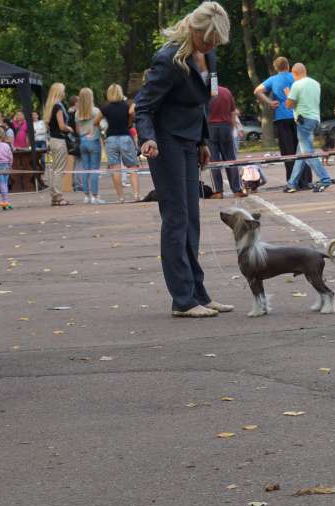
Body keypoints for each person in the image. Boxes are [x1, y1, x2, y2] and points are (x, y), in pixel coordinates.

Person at [134, 1, 233, 319]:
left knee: (191, 220)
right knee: (176, 220)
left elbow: (205, 101)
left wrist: (204, 140)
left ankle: (198, 293)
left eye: (216, 41)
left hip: (191, 143)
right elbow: (144, 106)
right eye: (209, 40)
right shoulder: (168, 60)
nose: (213, 45)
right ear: (194, 31)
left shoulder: (210, 57)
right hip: (165, 145)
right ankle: (183, 299)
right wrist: (147, 138)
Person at [255, 57, 310, 189]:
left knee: (288, 151)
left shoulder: (273, 80)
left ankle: (292, 182)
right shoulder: (296, 76)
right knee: (302, 149)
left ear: (276, 67)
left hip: (282, 118)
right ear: (288, 66)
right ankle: (305, 180)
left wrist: (269, 102)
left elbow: (257, 91)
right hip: (299, 117)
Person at [283, 63, 333, 194]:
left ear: (295, 73)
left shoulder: (296, 85)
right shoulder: (316, 83)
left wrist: (288, 94)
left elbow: (289, 105)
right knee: (301, 154)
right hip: (315, 119)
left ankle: (325, 178)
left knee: (307, 153)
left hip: (303, 121)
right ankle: (292, 183)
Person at [103, 83, 141, 202]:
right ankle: (136, 195)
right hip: (125, 137)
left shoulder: (105, 108)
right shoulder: (126, 106)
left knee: (115, 168)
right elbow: (131, 117)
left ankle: (121, 197)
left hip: (111, 138)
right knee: (132, 167)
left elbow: (95, 121)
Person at [207, 84, 241, 198]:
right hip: (226, 126)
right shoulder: (226, 91)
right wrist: (232, 127)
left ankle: (218, 191)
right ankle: (236, 189)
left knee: (214, 160)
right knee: (230, 158)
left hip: (210, 127)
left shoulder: (204, 93)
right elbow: (233, 111)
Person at [42, 82, 72, 206]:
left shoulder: (50, 106)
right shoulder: (58, 107)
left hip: (52, 141)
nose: (65, 93)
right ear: (60, 92)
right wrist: (69, 128)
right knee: (59, 170)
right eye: (63, 91)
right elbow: (61, 126)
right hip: (59, 140)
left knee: (53, 169)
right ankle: (59, 196)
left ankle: (54, 196)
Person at [74, 87, 103, 204]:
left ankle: (86, 195)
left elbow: (77, 130)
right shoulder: (95, 111)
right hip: (94, 140)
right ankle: (95, 196)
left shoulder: (77, 112)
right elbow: (101, 126)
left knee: (85, 169)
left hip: (82, 141)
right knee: (95, 169)